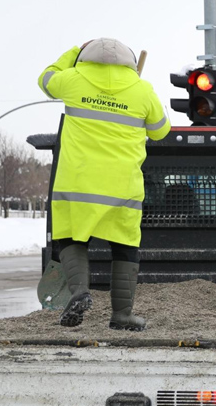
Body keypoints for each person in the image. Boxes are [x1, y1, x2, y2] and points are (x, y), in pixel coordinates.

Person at [38, 39, 171, 331]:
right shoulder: (142, 89)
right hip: (123, 189)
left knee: (72, 240)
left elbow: (46, 78)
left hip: (77, 184)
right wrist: (141, 97)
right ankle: (122, 316)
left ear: (85, 59)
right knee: (125, 248)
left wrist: (73, 52)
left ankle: (79, 292)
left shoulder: (73, 79)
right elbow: (161, 130)